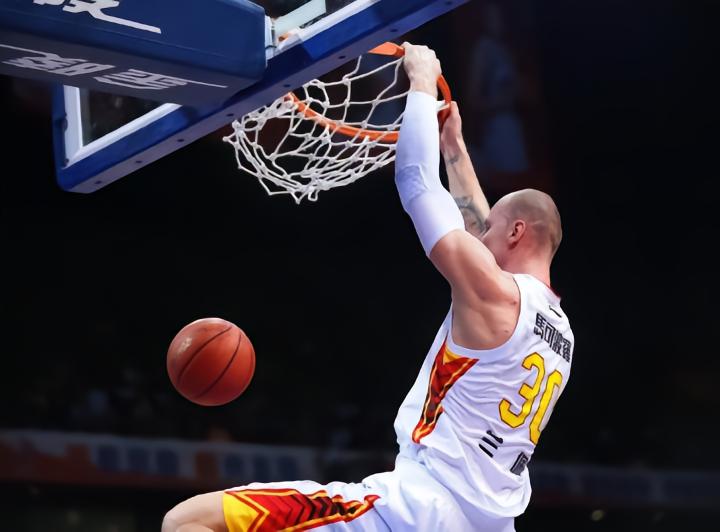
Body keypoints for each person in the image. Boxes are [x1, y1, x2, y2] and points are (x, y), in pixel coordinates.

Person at [161, 43, 573, 532]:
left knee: (187, 521)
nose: (479, 237)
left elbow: (417, 182)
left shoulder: (495, 293)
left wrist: (421, 82)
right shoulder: (560, 333)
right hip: (492, 522)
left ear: (517, 233)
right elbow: (483, 232)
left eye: (492, 231)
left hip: (422, 507)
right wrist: (455, 149)